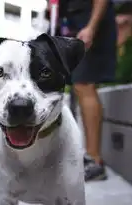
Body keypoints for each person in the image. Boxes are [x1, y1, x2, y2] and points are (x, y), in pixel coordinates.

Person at [48, 0, 117, 182]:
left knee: (84, 83)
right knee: (71, 87)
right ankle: (81, 158)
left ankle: (95, 162)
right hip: (70, 22)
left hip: (89, 22)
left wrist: (91, 27)